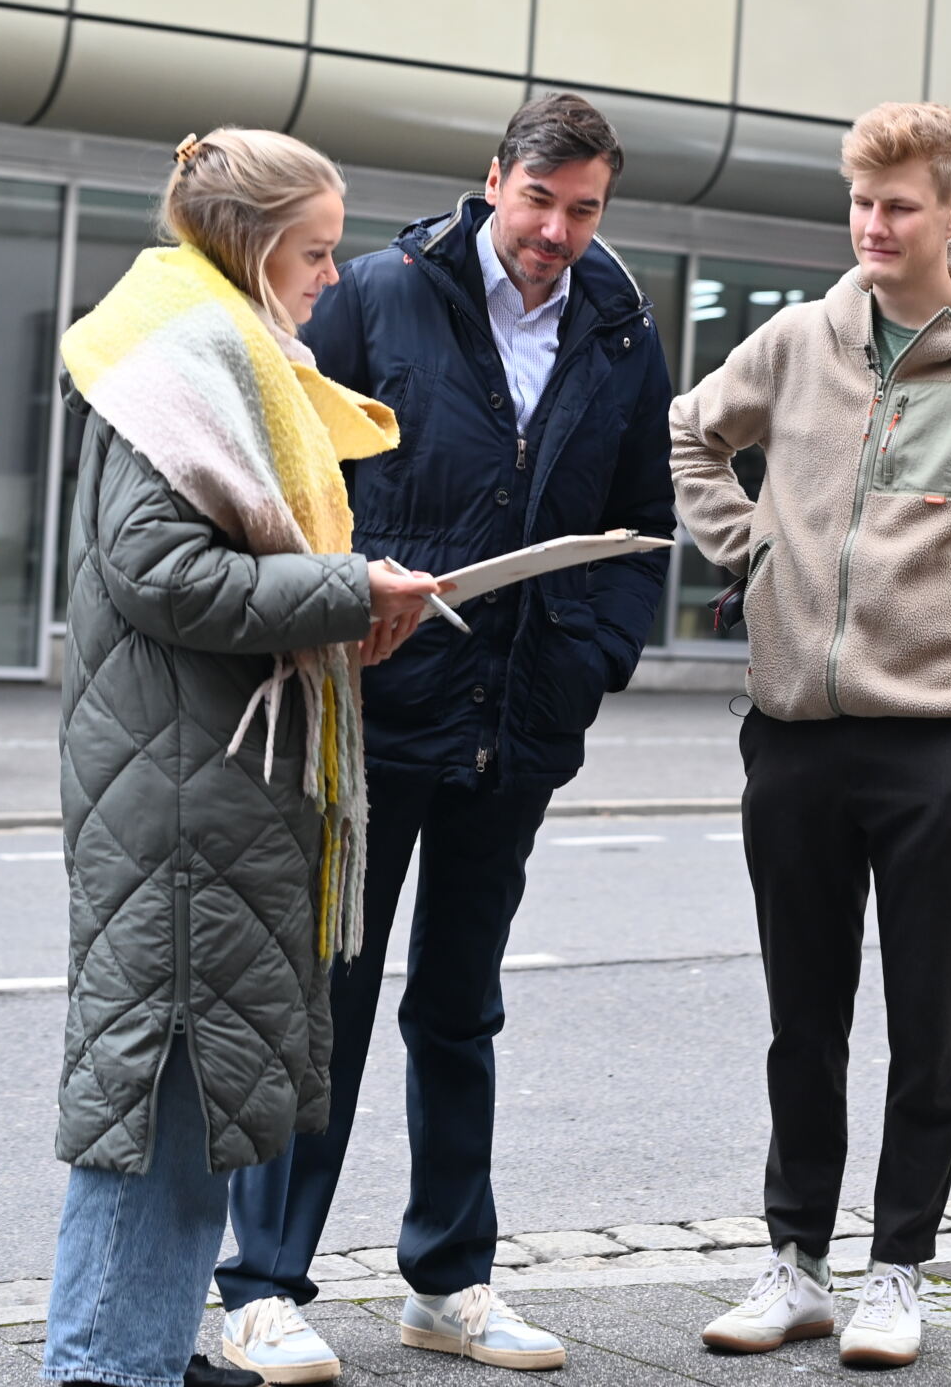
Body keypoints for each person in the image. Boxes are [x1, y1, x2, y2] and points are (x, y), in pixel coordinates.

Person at [214, 93, 674, 1379]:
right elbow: (289, 480)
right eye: (540, 201)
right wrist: (337, 599)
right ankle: (260, 1284)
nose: (557, 232)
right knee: (330, 1004)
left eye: (584, 210)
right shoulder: (374, 293)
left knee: (461, 1007)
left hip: (521, 723)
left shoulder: (620, 328)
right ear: (495, 182)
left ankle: (448, 1279)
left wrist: (597, 658)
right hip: (373, 707)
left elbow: (648, 517)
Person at [670, 102, 951, 1369]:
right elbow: (693, 428)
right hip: (793, 732)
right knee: (804, 1016)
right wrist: (752, 550)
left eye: (898, 205)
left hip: (934, 749)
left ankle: (896, 1269)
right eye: (859, 202)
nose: (872, 225)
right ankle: (794, 1260)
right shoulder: (799, 341)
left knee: (927, 1022)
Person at [42, 128, 444, 1387]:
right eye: (317, 250)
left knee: (199, 1088)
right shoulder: (187, 352)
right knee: (161, 1088)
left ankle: (147, 1344)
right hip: (181, 785)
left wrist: (341, 601)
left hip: (201, 773)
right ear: (255, 244)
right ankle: (107, 1366)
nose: (332, 274)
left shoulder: (206, 339)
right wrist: (343, 588)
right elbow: (159, 571)